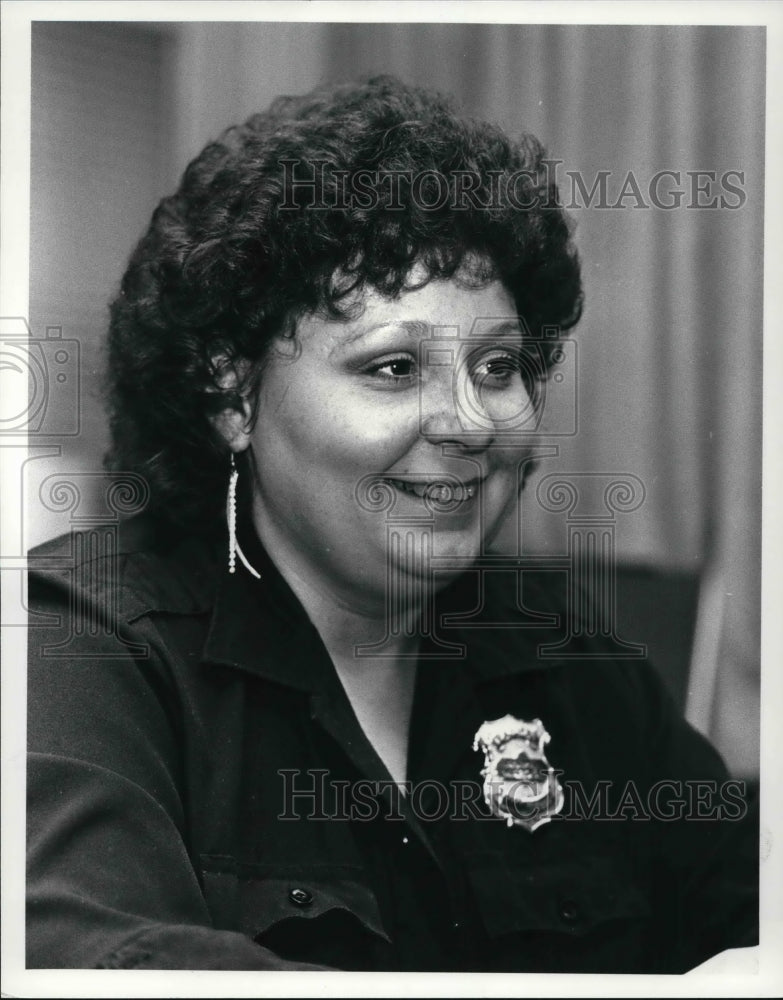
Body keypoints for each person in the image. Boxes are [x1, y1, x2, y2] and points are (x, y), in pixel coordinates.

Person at [26, 75, 757, 972]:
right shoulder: (81, 645)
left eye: (496, 366)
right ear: (232, 392)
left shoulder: (572, 667)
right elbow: (81, 960)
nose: (471, 421)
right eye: (393, 366)